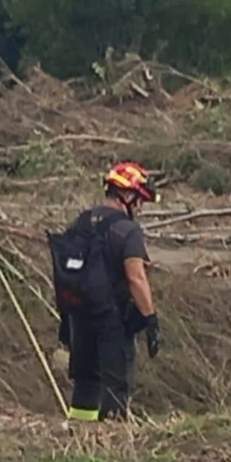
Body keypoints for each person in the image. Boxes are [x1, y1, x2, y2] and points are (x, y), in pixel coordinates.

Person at [49, 161, 162, 422]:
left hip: (78, 317)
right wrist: (150, 319)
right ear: (128, 195)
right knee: (115, 385)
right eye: (140, 200)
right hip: (112, 320)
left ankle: (78, 436)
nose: (140, 207)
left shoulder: (81, 222)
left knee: (85, 382)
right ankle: (113, 443)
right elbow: (136, 278)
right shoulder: (127, 230)